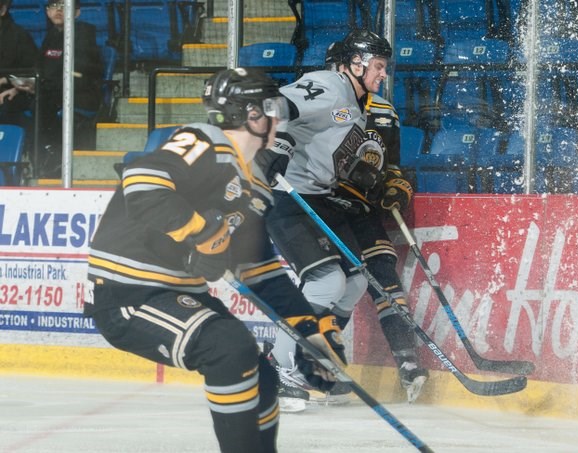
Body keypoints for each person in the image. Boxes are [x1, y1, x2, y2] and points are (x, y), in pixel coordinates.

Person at [84, 67, 347, 452]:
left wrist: (308, 332)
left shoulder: (252, 183)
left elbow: (261, 270)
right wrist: (203, 232)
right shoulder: (205, 141)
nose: (279, 117)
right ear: (252, 115)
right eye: (272, 107)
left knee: (263, 378)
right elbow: (142, 180)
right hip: (129, 295)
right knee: (229, 346)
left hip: (173, 292)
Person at [265, 29, 428, 413]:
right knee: (325, 283)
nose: (382, 73)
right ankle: (280, 368)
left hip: (321, 199)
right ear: (352, 64)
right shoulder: (329, 85)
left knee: (355, 280)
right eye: (377, 65)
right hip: (288, 197)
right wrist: (273, 150)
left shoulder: (358, 106)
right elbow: (272, 106)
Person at [4, 0, 103, 177]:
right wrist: (18, 88)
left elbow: (78, 75)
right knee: (9, 103)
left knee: (41, 105)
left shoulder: (84, 34)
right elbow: (40, 69)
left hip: (78, 95)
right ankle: (19, 160)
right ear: (47, 12)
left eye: (64, 6)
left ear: (77, 12)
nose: (58, 10)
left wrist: (40, 87)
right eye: (53, 6)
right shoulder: (51, 36)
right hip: (49, 92)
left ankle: (48, 160)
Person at [0, 0, 39, 128]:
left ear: (2, 10)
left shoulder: (19, 36)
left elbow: (32, 73)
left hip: (15, 92)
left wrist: (12, 86)